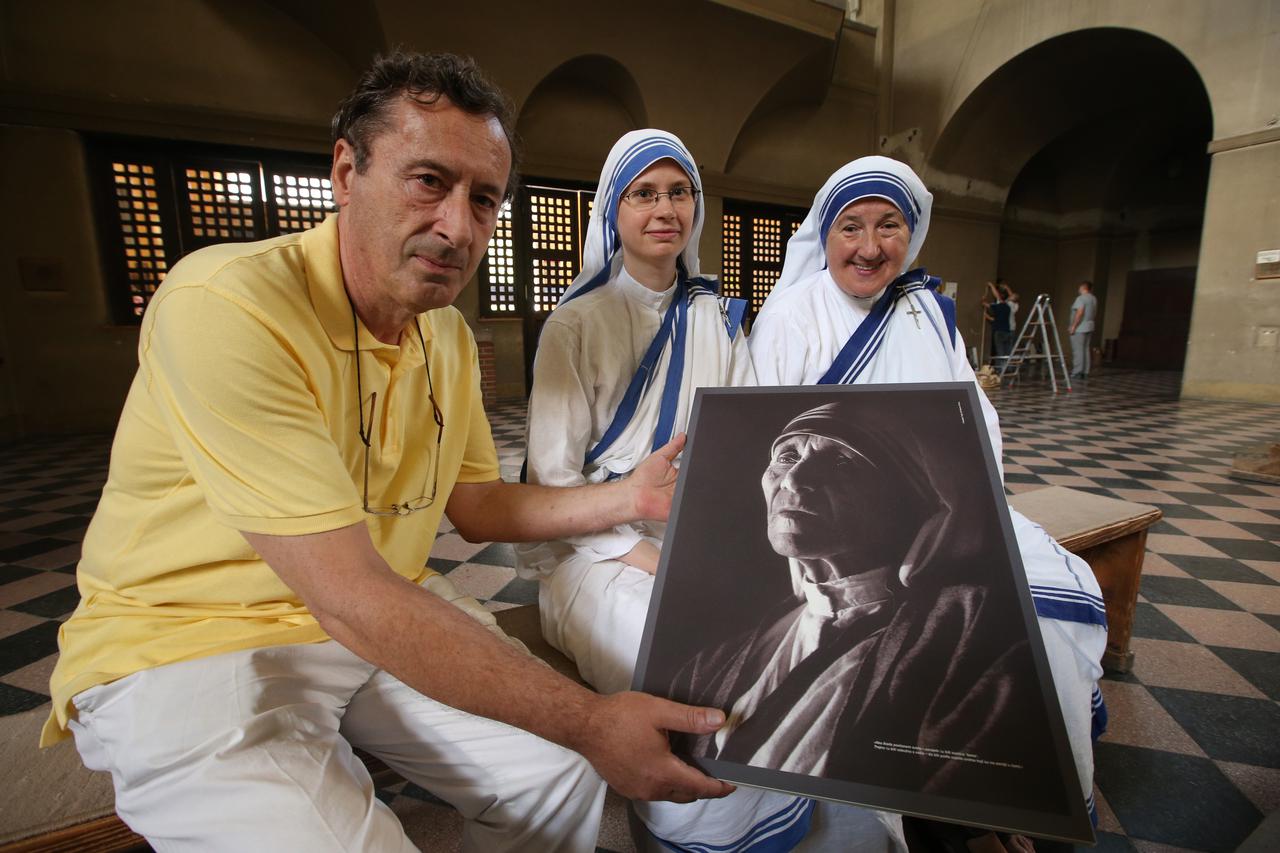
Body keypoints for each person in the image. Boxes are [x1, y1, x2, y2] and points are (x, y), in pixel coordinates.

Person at [42, 53, 734, 852]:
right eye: (428, 181)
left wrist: (629, 498)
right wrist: (591, 718)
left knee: (556, 778)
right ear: (346, 169)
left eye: (484, 200)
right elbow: (349, 591)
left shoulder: (444, 333)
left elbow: (477, 506)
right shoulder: (229, 303)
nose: (458, 226)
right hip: (186, 640)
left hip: (367, 618)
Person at [518, 130, 900, 853]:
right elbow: (552, 486)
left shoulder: (716, 317)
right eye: (644, 194)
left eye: (679, 192)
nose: (664, 209)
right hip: (591, 557)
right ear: (614, 211)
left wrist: (718, 550)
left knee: (781, 636)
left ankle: (780, 819)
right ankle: (688, 833)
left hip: (692, 538)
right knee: (686, 669)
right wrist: (645, 552)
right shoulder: (573, 324)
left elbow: (740, 449)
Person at [749, 156, 1109, 829]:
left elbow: (978, 422)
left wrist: (969, 509)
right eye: (850, 227)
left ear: (910, 236)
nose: (869, 246)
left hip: (945, 515)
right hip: (852, 532)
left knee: (1051, 606)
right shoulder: (792, 314)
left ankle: (1016, 802)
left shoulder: (928, 311)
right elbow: (759, 420)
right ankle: (906, 805)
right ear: (825, 236)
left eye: (889, 226)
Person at [670, 400, 1067, 816]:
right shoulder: (716, 662)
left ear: (909, 497)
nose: (795, 480)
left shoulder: (968, 626)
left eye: (842, 462)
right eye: (787, 457)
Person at [1068, 281, 1098, 379]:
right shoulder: (1093, 298)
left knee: (1078, 350)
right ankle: (1085, 371)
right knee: (1085, 349)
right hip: (1089, 326)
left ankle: (1077, 371)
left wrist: (1073, 326)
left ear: (1083, 287)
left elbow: (1080, 312)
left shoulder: (1081, 298)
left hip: (1080, 327)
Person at [985, 281, 1014, 362]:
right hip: (1009, 330)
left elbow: (986, 304)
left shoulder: (999, 306)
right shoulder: (1010, 306)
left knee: (1000, 351)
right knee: (1008, 352)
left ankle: (1001, 369)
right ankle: (1008, 368)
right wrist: (1007, 288)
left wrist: (991, 286)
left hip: (1000, 331)